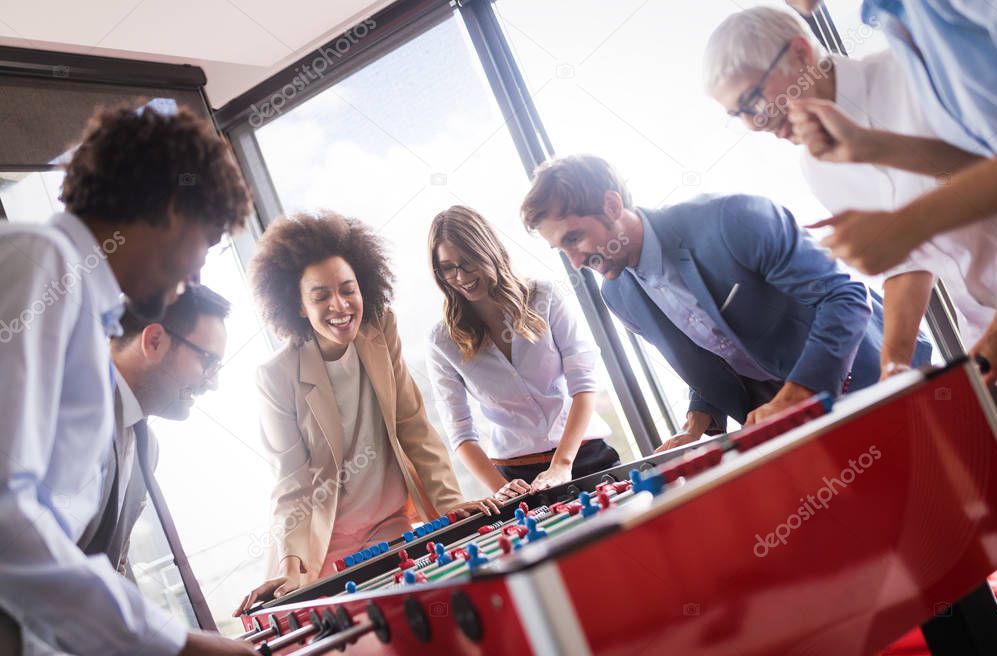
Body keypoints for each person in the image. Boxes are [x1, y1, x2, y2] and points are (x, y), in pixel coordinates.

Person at [0, 105, 275, 656]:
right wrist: (168, 648)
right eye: (206, 242)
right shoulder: (39, 263)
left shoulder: (80, 306)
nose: (196, 277)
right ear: (174, 210)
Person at [702, 7, 997, 392]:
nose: (756, 123)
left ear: (800, 54)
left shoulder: (915, 74)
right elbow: (908, 263)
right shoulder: (817, 167)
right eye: (740, 115)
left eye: (753, 99)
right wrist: (895, 366)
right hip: (994, 356)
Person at [520, 154, 929, 451]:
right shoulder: (619, 295)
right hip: (795, 426)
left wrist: (796, 394)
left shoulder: (729, 218)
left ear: (611, 205)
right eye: (562, 249)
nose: (575, 261)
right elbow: (721, 354)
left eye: (574, 238)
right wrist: (697, 421)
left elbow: (845, 297)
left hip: (879, 381)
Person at [235, 212, 498, 615]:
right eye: (320, 296)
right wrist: (290, 566)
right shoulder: (275, 376)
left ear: (364, 287)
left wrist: (448, 504)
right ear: (299, 306)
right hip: (324, 541)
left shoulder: (380, 329)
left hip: (389, 523)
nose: (339, 306)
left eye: (347, 289)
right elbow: (291, 482)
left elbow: (413, 427)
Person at [425, 206, 619, 501]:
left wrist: (562, 465)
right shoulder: (442, 341)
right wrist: (501, 490)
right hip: (516, 478)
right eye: (448, 267)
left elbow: (584, 383)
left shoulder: (545, 296)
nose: (461, 276)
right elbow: (460, 432)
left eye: (468, 262)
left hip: (585, 453)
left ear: (488, 251)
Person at [78, 285, 230, 572]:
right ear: (155, 341)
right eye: (207, 361)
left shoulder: (148, 449)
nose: (213, 382)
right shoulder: (71, 409)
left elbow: (114, 569)